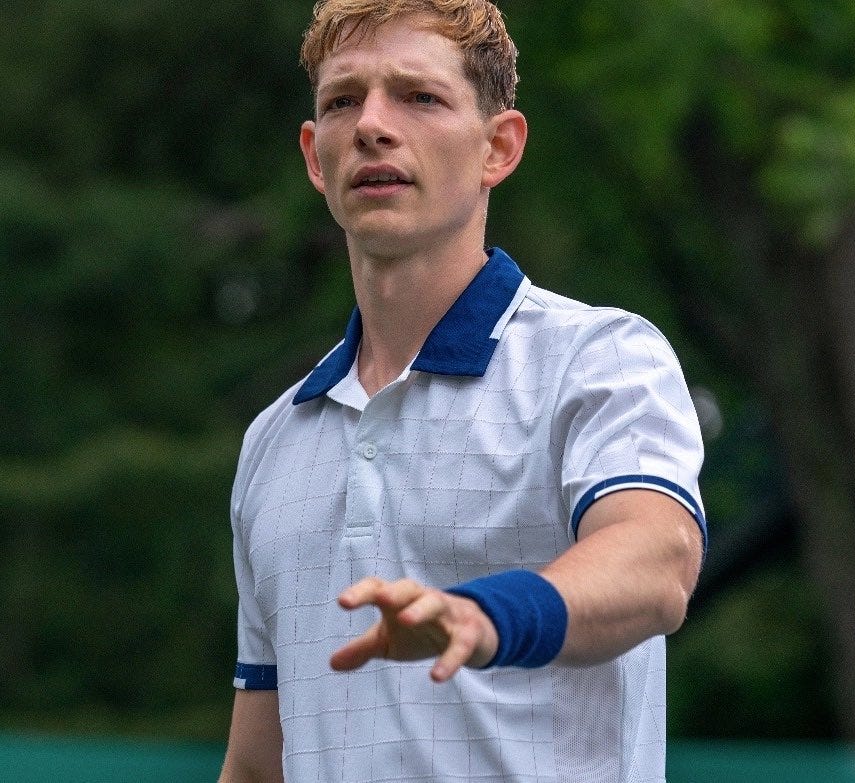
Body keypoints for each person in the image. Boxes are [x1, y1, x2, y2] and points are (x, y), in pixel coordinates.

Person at [219, 1, 706, 781]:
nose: (371, 125)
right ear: (314, 156)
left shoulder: (600, 358)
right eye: (343, 100)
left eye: (419, 96)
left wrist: (485, 616)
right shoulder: (274, 441)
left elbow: (658, 562)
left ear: (497, 147)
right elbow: (255, 766)